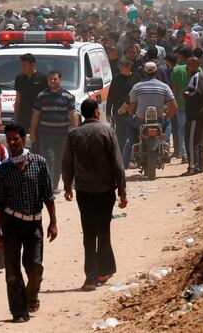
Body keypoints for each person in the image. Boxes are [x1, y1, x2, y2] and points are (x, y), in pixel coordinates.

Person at [0, 122, 57, 322]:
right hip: (11, 224)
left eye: (16, 138)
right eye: (9, 139)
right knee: (12, 272)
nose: (12, 142)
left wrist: (53, 222)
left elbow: (48, 195)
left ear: (24, 139)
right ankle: (18, 311)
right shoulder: (2, 171)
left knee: (35, 266)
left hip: (34, 223)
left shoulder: (39, 162)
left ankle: (31, 296)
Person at [62, 100, 127, 291]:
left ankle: (90, 278)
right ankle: (103, 271)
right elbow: (117, 164)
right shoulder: (107, 132)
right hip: (106, 190)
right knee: (104, 230)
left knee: (89, 233)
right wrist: (122, 192)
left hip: (84, 191)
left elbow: (67, 163)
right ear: (97, 112)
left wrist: (67, 186)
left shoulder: (74, 134)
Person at [30, 70, 78, 190]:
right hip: (46, 133)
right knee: (48, 158)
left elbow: (73, 114)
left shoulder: (68, 96)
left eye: (55, 79)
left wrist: (76, 131)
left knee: (59, 159)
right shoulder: (41, 96)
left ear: (60, 80)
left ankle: (54, 185)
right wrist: (32, 132)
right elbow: (35, 115)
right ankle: (49, 186)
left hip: (62, 134)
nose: (52, 81)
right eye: (50, 79)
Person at [123, 62, 177, 169]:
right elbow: (174, 107)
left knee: (129, 122)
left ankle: (135, 143)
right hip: (159, 120)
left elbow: (132, 108)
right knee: (169, 122)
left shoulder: (137, 87)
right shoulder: (164, 87)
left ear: (144, 72)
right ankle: (164, 143)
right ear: (156, 72)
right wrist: (166, 117)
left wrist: (133, 114)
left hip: (141, 121)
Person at [183, 57, 203, 175]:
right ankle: (200, 166)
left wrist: (187, 95)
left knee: (191, 142)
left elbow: (197, 93)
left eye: (189, 65)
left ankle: (192, 167)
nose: (187, 68)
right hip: (199, 115)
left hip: (195, 116)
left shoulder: (196, 77)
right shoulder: (195, 77)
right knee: (198, 141)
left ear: (194, 65)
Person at [13, 53, 47, 131]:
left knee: (37, 140)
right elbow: (18, 99)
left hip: (38, 115)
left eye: (25, 65)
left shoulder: (42, 78)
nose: (22, 67)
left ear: (32, 65)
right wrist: (15, 119)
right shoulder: (19, 78)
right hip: (23, 115)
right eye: (21, 65)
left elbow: (46, 99)